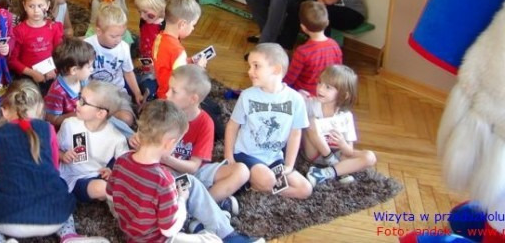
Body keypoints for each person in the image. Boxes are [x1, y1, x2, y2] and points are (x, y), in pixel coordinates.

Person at [108, 100, 263, 243]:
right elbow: (170, 229)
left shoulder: (122, 160)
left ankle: (227, 233)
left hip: (132, 232)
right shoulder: (164, 181)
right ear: (169, 144)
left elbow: (111, 195)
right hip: (161, 239)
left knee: (189, 181)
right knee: (212, 240)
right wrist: (181, 199)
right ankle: (208, 228)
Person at [0, 80, 108, 243]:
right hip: (55, 216)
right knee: (62, 196)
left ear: (3, 111)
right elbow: (54, 170)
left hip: (7, 219)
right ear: (40, 110)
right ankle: (69, 236)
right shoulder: (49, 129)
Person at [224, 43, 312, 200]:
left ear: (276, 69)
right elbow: (232, 126)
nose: (250, 71)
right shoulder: (247, 96)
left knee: (305, 189)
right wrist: (229, 156)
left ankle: (253, 185)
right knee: (268, 179)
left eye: (256, 66)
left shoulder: (296, 99)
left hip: (274, 158)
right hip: (246, 154)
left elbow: (295, 134)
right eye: (250, 66)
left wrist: (289, 165)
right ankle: (256, 181)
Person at [159, 65, 249, 213]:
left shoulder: (206, 123)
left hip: (195, 173)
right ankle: (208, 206)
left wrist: (167, 158)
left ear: (193, 99)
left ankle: (197, 206)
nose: (167, 94)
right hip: (166, 172)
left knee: (242, 171)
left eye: (174, 91)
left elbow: (194, 167)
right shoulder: (163, 111)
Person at [302, 65, 376, 186]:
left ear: (344, 95)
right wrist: (298, 96)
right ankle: (335, 166)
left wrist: (342, 144)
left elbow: (349, 151)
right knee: (311, 122)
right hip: (314, 153)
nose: (320, 89)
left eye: (328, 87)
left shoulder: (346, 116)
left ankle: (324, 173)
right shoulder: (310, 104)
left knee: (370, 157)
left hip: (338, 155)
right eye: (320, 83)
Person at [56, 81, 129, 203]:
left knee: (102, 188)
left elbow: (126, 167)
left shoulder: (117, 138)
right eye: (79, 97)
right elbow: (53, 149)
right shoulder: (69, 124)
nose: (76, 103)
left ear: (100, 113)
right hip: (63, 175)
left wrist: (112, 172)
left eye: (83, 102)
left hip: (90, 178)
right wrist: (63, 156)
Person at [84, 4, 142, 128]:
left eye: (122, 35)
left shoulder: (124, 48)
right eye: (113, 36)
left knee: (127, 119)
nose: (118, 40)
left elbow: (128, 72)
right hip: (92, 92)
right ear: (99, 31)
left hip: (117, 92)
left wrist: (137, 93)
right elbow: (79, 73)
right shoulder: (87, 45)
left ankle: (101, 122)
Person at [152, 0, 207, 100]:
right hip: (174, 99)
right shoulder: (178, 51)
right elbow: (184, 82)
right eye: (193, 25)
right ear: (182, 24)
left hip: (162, 92)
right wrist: (199, 68)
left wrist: (189, 61)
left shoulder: (159, 38)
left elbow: (169, 64)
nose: (193, 28)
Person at [285, 1, 342, 96]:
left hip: (304, 94)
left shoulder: (302, 52)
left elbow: (290, 78)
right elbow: (338, 72)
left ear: (303, 28)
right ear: (327, 22)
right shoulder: (335, 45)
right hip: (325, 93)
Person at [10, 0, 62, 87]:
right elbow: (12, 61)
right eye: (31, 6)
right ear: (24, 6)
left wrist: (54, 69)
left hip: (50, 74)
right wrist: (32, 73)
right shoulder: (19, 31)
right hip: (27, 77)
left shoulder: (54, 27)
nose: (36, 10)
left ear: (47, 5)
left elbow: (60, 53)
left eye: (40, 6)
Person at [44, 38, 96, 129]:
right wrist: (76, 114)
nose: (92, 69)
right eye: (89, 67)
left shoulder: (82, 79)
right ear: (74, 70)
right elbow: (52, 120)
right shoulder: (57, 92)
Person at [134, 0, 166, 99]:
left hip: (161, 65)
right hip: (146, 57)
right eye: (140, 12)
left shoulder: (166, 27)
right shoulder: (144, 20)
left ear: (159, 8)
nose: (142, 16)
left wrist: (158, 66)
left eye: (145, 12)